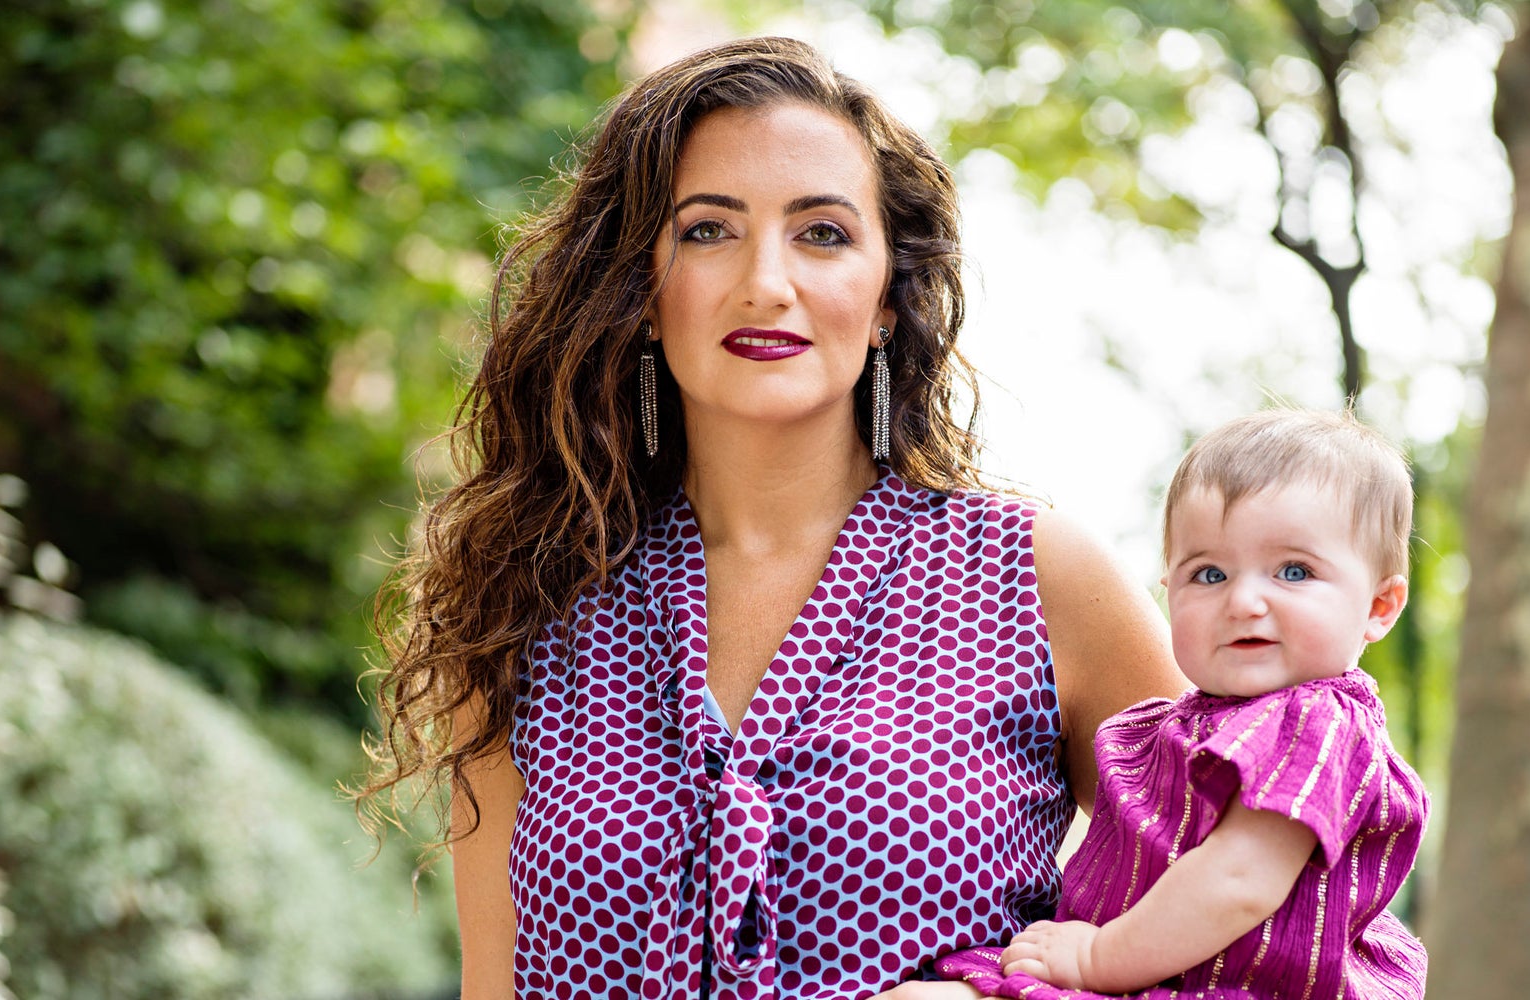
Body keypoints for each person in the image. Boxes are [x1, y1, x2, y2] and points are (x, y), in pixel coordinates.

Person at [357, 35, 1184, 1000]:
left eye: (823, 233)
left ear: (887, 297)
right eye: (708, 230)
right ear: (643, 293)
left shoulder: (1035, 580)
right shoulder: (524, 602)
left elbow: (1264, 944)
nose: (767, 282)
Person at [923, 408, 1429, 999]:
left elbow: (1238, 879)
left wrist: (1095, 958)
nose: (1243, 601)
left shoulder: (1313, 724)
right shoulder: (1198, 718)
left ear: (1379, 606)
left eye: (1294, 571)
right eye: (1209, 574)